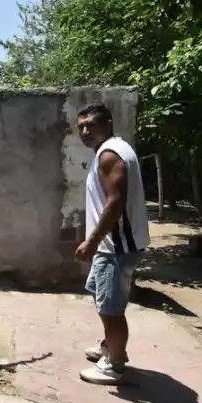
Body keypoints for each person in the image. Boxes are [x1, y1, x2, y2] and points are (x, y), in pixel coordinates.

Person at [74, 103, 150, 385]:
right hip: (112, 245)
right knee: (102, 297)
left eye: (91, 125)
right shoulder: (114, 149)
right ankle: (110, 346)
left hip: (115, 247)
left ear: (108, 123)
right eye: (80, 126)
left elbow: (115, 202)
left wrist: (91, 241)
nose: (84, 130)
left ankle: (114, 365)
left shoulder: (109, 154)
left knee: (111, 309)